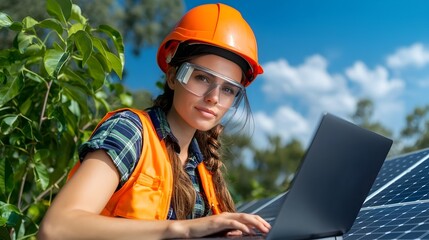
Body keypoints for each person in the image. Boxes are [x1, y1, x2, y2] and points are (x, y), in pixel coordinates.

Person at [38, 3, 271, 239]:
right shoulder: (130, 131)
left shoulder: (205, 171)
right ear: (172, 77)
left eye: (229, 90)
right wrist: (184, 229)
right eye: (201, 77)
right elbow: (57, 228)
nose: (213, 98)